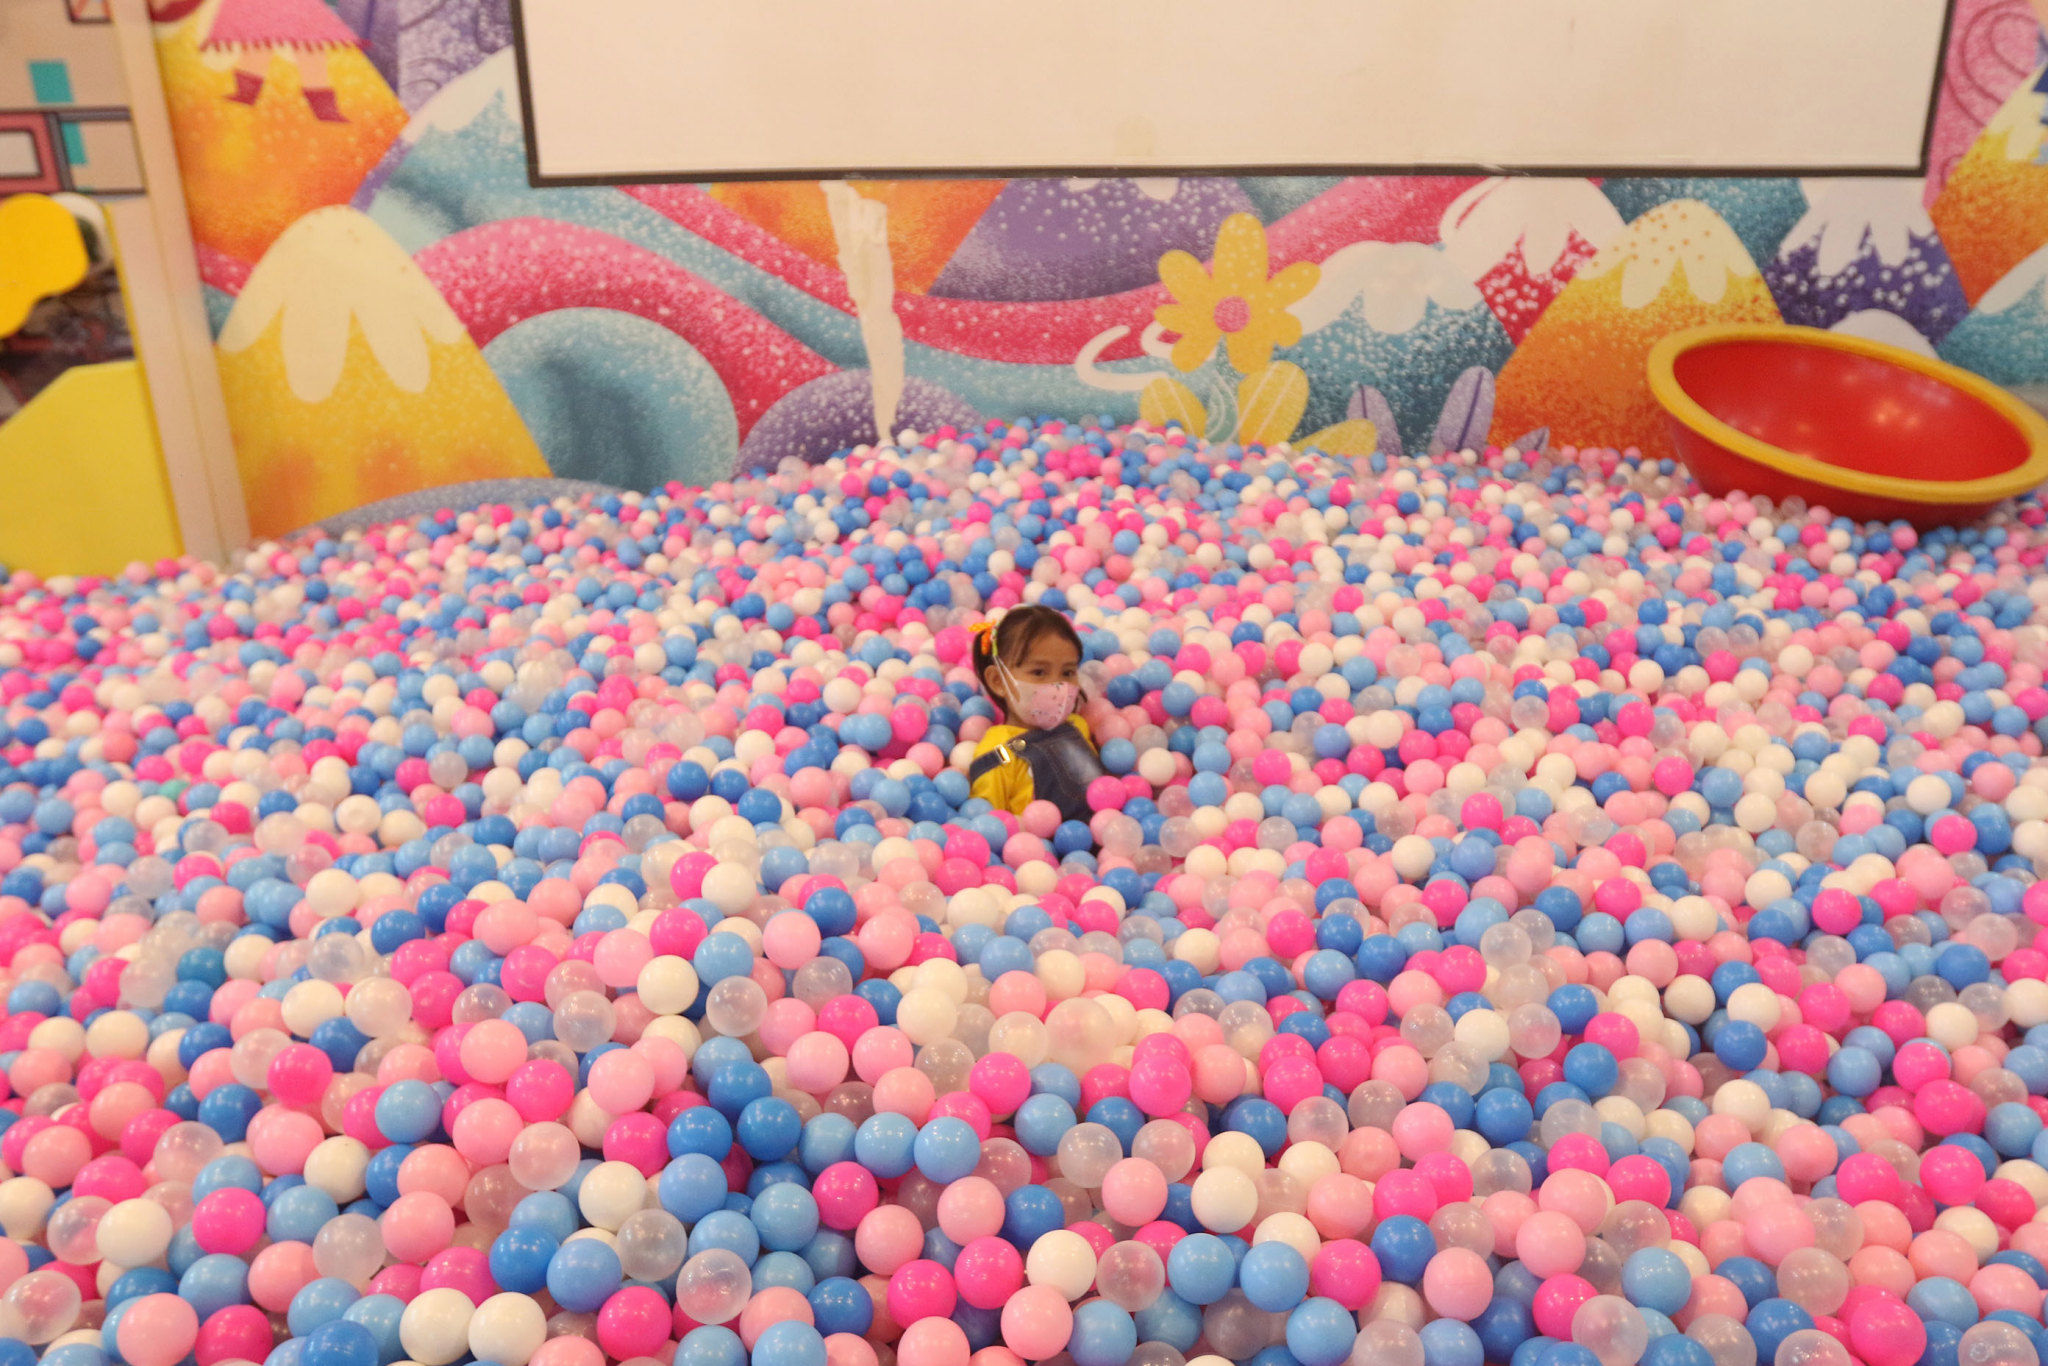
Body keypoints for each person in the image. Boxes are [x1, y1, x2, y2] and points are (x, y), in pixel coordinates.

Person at [967, 606, 1105, 824]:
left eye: (1068, 672)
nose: (1058, 685)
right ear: (998, 681)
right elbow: (989, 825)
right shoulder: (1002, 752)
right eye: (1039, 672)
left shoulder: (1077, 726)